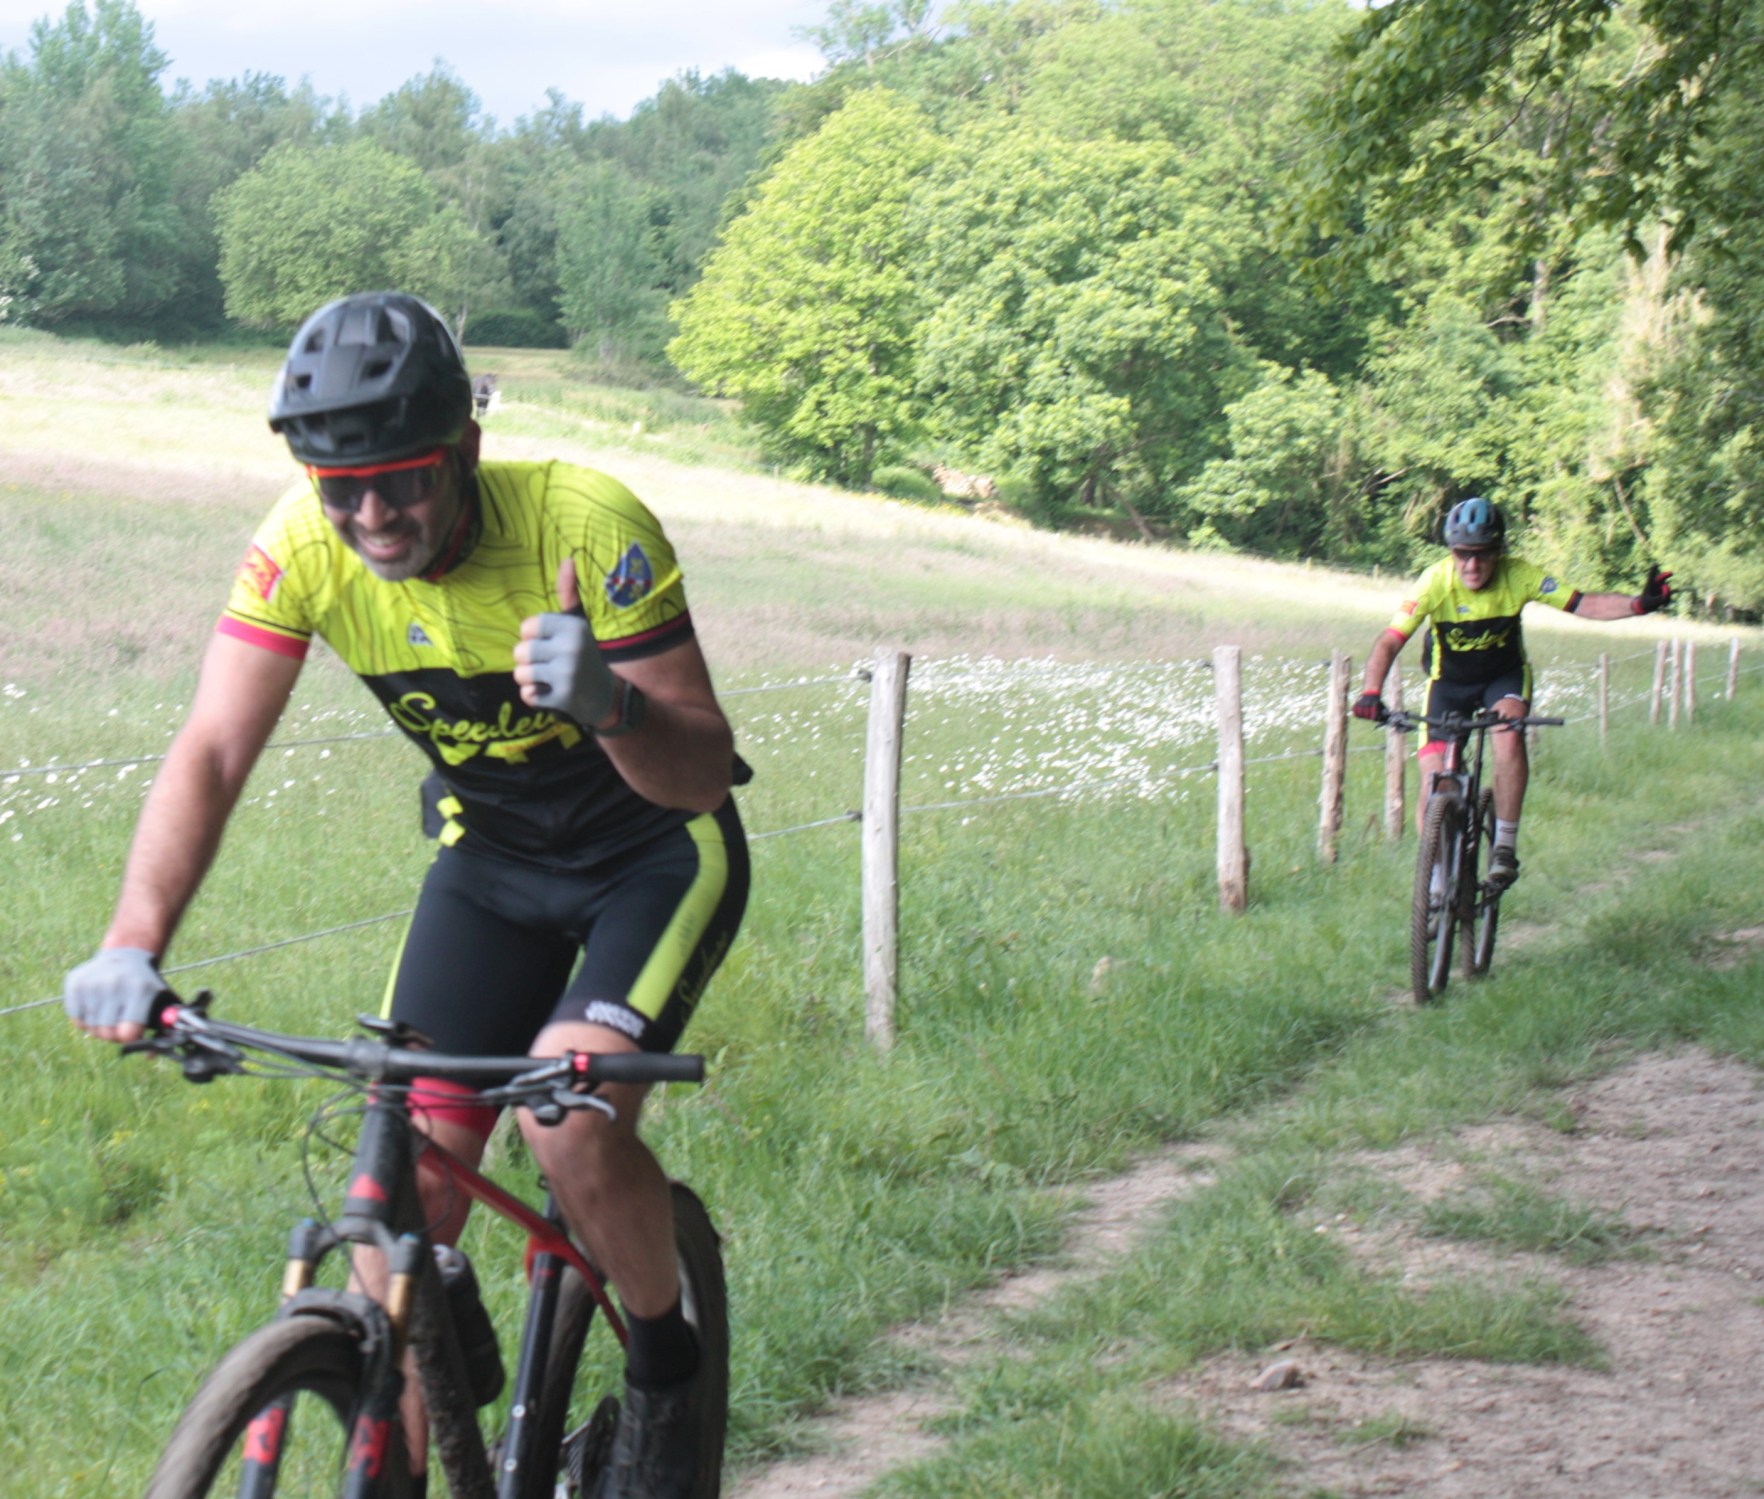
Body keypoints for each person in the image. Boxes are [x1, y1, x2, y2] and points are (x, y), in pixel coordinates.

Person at [62, 291, 747, 1499]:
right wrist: (134, 939)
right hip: (491, 864)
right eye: (342, 488)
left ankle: (664, 1374)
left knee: (565, 1121)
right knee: (407, 1174)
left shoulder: (585, 524)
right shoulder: (300, 547)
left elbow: (701, 771)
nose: (373, 516)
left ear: (464, 448)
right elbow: (213, 747)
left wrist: (610, 703)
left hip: (650, 855)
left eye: (404, 481)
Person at [1352, 496, 1671, 888]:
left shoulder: (1519, 575)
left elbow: (1582, 603)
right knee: (1434, 779)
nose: (1471, 565)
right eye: (1462, 554)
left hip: (1502, 680)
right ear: (1451, 552)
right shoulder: (1435, 581)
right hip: (1448, 686)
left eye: (1482, 554)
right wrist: (1370, 692)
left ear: (1499, 551)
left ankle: (1504, 844)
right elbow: (1389, 640)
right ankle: (1435, 880)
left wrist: (1639, 604)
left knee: (1507, 736)